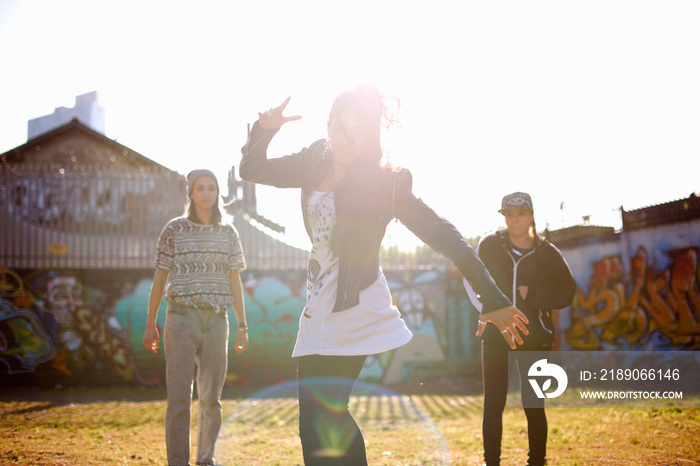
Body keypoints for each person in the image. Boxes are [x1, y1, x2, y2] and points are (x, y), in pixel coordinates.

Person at [240, 85, 529, 465]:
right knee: (314, 420)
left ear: (372, 134)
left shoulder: (385, 182)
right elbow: (252, 169)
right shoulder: (315, 159)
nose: (346, 140)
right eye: (340, 128)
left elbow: (443, 234)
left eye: (358, 131)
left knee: (327, 410)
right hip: (319, 301)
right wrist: (264, 130)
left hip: (355, 302)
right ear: (328, 124)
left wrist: (491, 296)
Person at [143, 169, 249, 466]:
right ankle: (178, 461)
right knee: (179, 399)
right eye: (200, 188)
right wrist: (151, 324)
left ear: (218, 193)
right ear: (190, 193)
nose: (206, 193)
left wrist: (242, 325)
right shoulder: (174, 230)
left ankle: (206, 460)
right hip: (180, 318)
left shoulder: (229, 233)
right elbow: (159, 277)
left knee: (211, 399)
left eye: (211, 188)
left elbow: (235, 282)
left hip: (217, 321)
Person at [464, 192, 576, 466]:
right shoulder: (489, 244)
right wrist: (486, 309)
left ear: (531, 216)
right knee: (493, 406)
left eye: (521, 214)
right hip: (496, 335)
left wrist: (536, 295)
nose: (515, 220)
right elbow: (471, 278)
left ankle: (537, 461)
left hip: (534, 337)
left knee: (534, 405)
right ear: (504, 217)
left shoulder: (547, 252)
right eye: (509, 215)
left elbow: (567, 291)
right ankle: (492, 462)